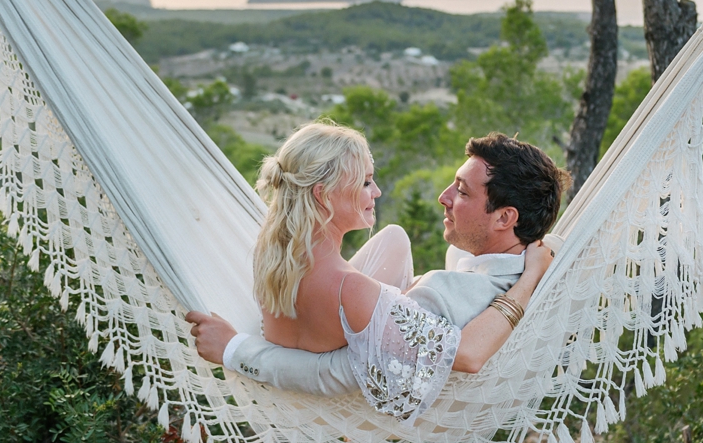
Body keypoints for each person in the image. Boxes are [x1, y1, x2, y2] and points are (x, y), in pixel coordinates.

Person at [186, 123, 569, 423]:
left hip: (337, 368)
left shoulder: (454, 295)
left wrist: (235, 349)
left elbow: (335, 373)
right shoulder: (507, 264)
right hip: (340, 311)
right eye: (366, 182)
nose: (444, 197)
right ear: (324, 194)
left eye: (462, 192)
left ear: (505, 218)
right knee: (395, 238)